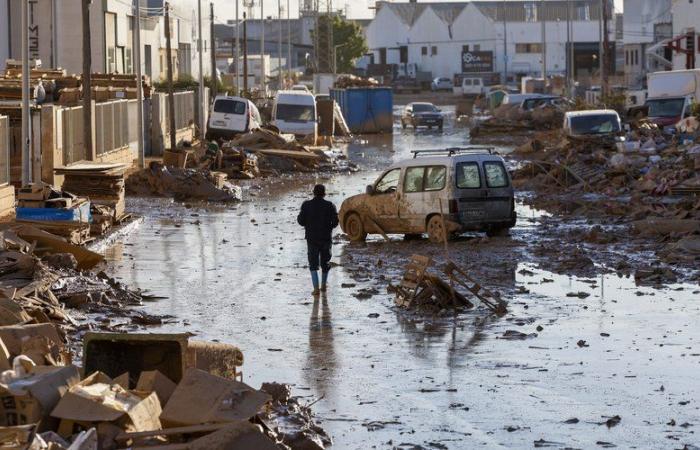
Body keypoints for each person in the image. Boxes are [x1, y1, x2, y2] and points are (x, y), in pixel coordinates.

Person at [297, 184, 339, 295]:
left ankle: (316, 289)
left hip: (312, 239)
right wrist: (329, 227)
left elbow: (300, 221)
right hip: (326, 238)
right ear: (324, 193)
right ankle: (324, 286)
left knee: (313, 263)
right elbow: (335, 222)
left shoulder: (306, 205)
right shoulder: (330, 205)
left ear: (313, 193)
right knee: (325, 262)